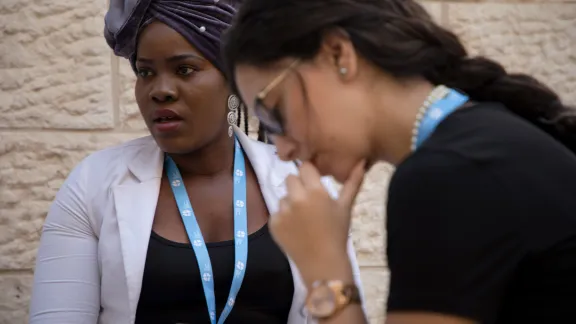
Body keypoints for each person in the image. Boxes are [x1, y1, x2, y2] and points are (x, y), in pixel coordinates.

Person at [222, 0, 576, 323]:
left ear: (338, 54)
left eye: (274, 115)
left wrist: (325, 271)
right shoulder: (481, 141)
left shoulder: (448, 173)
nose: (281, 149)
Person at [28, 1, 365, 323]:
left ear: (233, 80)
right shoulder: (93, 184)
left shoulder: (301, 182)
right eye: (145, 72)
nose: (160, 90)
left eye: (184, 69)